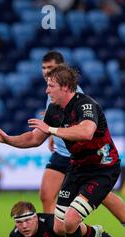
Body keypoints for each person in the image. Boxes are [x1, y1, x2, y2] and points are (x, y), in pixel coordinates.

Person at [0, 64, 121, 237]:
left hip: (102, 169)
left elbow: (86, 132)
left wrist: (51, 129)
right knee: (59, 227)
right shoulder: (54, 111)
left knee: (72, 218)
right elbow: (34, 138)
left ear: (65, 87)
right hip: (77, 167)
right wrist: (7, 139)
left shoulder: (86, 105)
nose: (47, 90)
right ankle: (93, 234)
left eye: (51, 86)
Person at [39, 51, 125, 226]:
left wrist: (53, 131)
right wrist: (50, 134)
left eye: (51, 68)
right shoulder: (51, 91)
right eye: (44, 68)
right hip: (63, 152)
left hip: (80, 155)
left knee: (102, 196)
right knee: (47, 194)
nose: (46, 71)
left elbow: (82, 128)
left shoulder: (73, 93)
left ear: (62, 69)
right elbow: (56, 120)